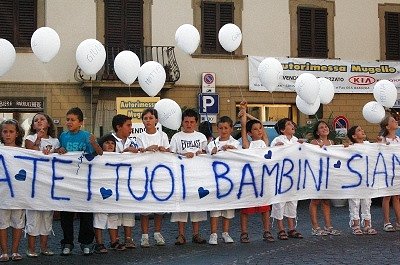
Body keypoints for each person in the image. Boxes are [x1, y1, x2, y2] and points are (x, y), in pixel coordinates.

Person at [57, 107, 103, 256]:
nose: (69, 122)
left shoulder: (87, 136)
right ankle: (68, 242)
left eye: (73, 120)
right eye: (68, 119)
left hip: (84, 181)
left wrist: (94, 143)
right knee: (66, 214)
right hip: (67, 180)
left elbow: (98, 153)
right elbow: (60, 151)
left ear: (81, 122)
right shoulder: (63, 136)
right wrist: (60, 150)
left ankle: (86, 242)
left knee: (86, 213)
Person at [170, 109, 208, 245]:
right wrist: (183, 154)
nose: (189, 124)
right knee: (181, 205)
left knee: (196, 204)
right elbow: (171, 154)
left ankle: (196, 234)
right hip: (181, 176)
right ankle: (181, 235)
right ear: (182, 122)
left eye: (192, 122)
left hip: (197, 176)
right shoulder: (176, 137)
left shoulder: (201, 137)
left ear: (196, 123)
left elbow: (207, 154)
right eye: (186, 121)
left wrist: (201, 152)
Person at [25, 113, 60, 257]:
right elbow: (30, 152)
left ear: (49, 124)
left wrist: (58, 152)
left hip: (48, 182)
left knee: (47, 216)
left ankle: (44, 247)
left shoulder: (55, 141)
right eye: (36, 120)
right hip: (33, 183)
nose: (39, 121)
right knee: (33, 215)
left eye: (42, 119)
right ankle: (31, 248)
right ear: (33, 126)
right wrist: (38, 139)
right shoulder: (30, 138)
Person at [238, 102, 274, 243]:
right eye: (255, 129)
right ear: (249, 133)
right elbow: (243, 127)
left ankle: (266, 231)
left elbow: (259, 123)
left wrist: (246, 113)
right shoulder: (248, 144)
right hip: (250, 179)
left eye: (260, 129)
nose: (259, 130)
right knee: (246, 207)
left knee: (265, 207)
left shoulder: (264, 142)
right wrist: (243, 115)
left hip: (263, 179)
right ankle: (244, 232)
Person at [136, 108, 170, 247]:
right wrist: (146, 149)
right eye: (145, 118)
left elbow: (169, 151)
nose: (148, 121)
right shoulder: (140, 137)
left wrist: (164, 150)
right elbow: (138, 153)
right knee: (145, 207)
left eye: (151, 118)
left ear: (156, 120)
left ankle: (157, 232)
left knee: (159, 205)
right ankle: (144, 235)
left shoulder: (163, 135)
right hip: (146, 174)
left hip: (160, 174)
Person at [207, 116, 239, 245]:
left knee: (228, 208)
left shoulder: (236, 143)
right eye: (221, 128)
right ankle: (213, 234)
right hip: (215, 180)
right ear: (217, 129)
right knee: (215, 208)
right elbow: (207, 156)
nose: (223, 130)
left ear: (231, 129)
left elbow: (240, 156)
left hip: (230, 180)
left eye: (226, 128)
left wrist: (233, 151)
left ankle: (225, 233)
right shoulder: (212, 143)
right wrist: (212, 152)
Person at [270, 118, 303, 240]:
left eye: (292, 123)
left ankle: (291, 228)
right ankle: (280, 228)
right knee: (280, 202)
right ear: (283, 130)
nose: (292, 125)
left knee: (292, 202)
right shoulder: (277, 140)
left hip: (294, 176)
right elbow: (270, 155)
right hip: (281, 176)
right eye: (288, 124)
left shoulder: (296, 141)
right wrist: (276, 148)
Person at [93, 133, 126, 254]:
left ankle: (114, 241)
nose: (110, 145)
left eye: (113, 143)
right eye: (107, 142)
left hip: (113, 191)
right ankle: (99, 243)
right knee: (100, 217)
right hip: (100, 191)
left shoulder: (118, 157)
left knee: (113, 217)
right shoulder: (97, 157)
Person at [309, 120, 341, 236]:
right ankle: (315, 226)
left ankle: (328, 226)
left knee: (326, 201)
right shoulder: (314, 142)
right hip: (317, 174)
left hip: (329, 175)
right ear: (317, 132)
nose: (324, 129)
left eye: (326, 127)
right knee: (315, 200)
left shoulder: (332, 142)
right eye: (321, 127)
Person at [111, 114, 138, 249]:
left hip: (128, 181)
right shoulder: (108, 140)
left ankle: (128, 238)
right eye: (128, 125)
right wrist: (125, 152)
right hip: (113, 181)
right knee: (114, 211)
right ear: (118, 127)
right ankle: (114, 240)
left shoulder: (133, 141)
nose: (131, 128)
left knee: (128, 210)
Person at [0, 119, 25, 261]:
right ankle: (4, 251)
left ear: (17, 134)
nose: (8, 134)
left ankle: (15, 251)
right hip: (2, 194)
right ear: (1, 134)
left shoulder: (22, 151)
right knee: (2, 223)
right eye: (5, 131)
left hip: (19, 194)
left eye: (11, 132)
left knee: (18, 223)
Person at [346, 125, 377, 235]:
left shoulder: (368, 145)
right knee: (354, 201)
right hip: (354, 179)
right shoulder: (351, 146)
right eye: (359, 130)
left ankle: (367, 224)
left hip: (366, 178)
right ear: (354, 136)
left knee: (367, 201)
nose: (362, 131)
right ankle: (355, 224)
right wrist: (345, 146)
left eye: (362, 129)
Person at [378, 115, 400, 232]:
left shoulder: (398, 139)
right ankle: (386, 221)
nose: (395, 121)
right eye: (392, 121)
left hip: (397, 171)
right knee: (387, 196)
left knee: (397, 196)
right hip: (386, 171)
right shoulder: (383, 139)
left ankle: (398, 221)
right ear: (387, 126)